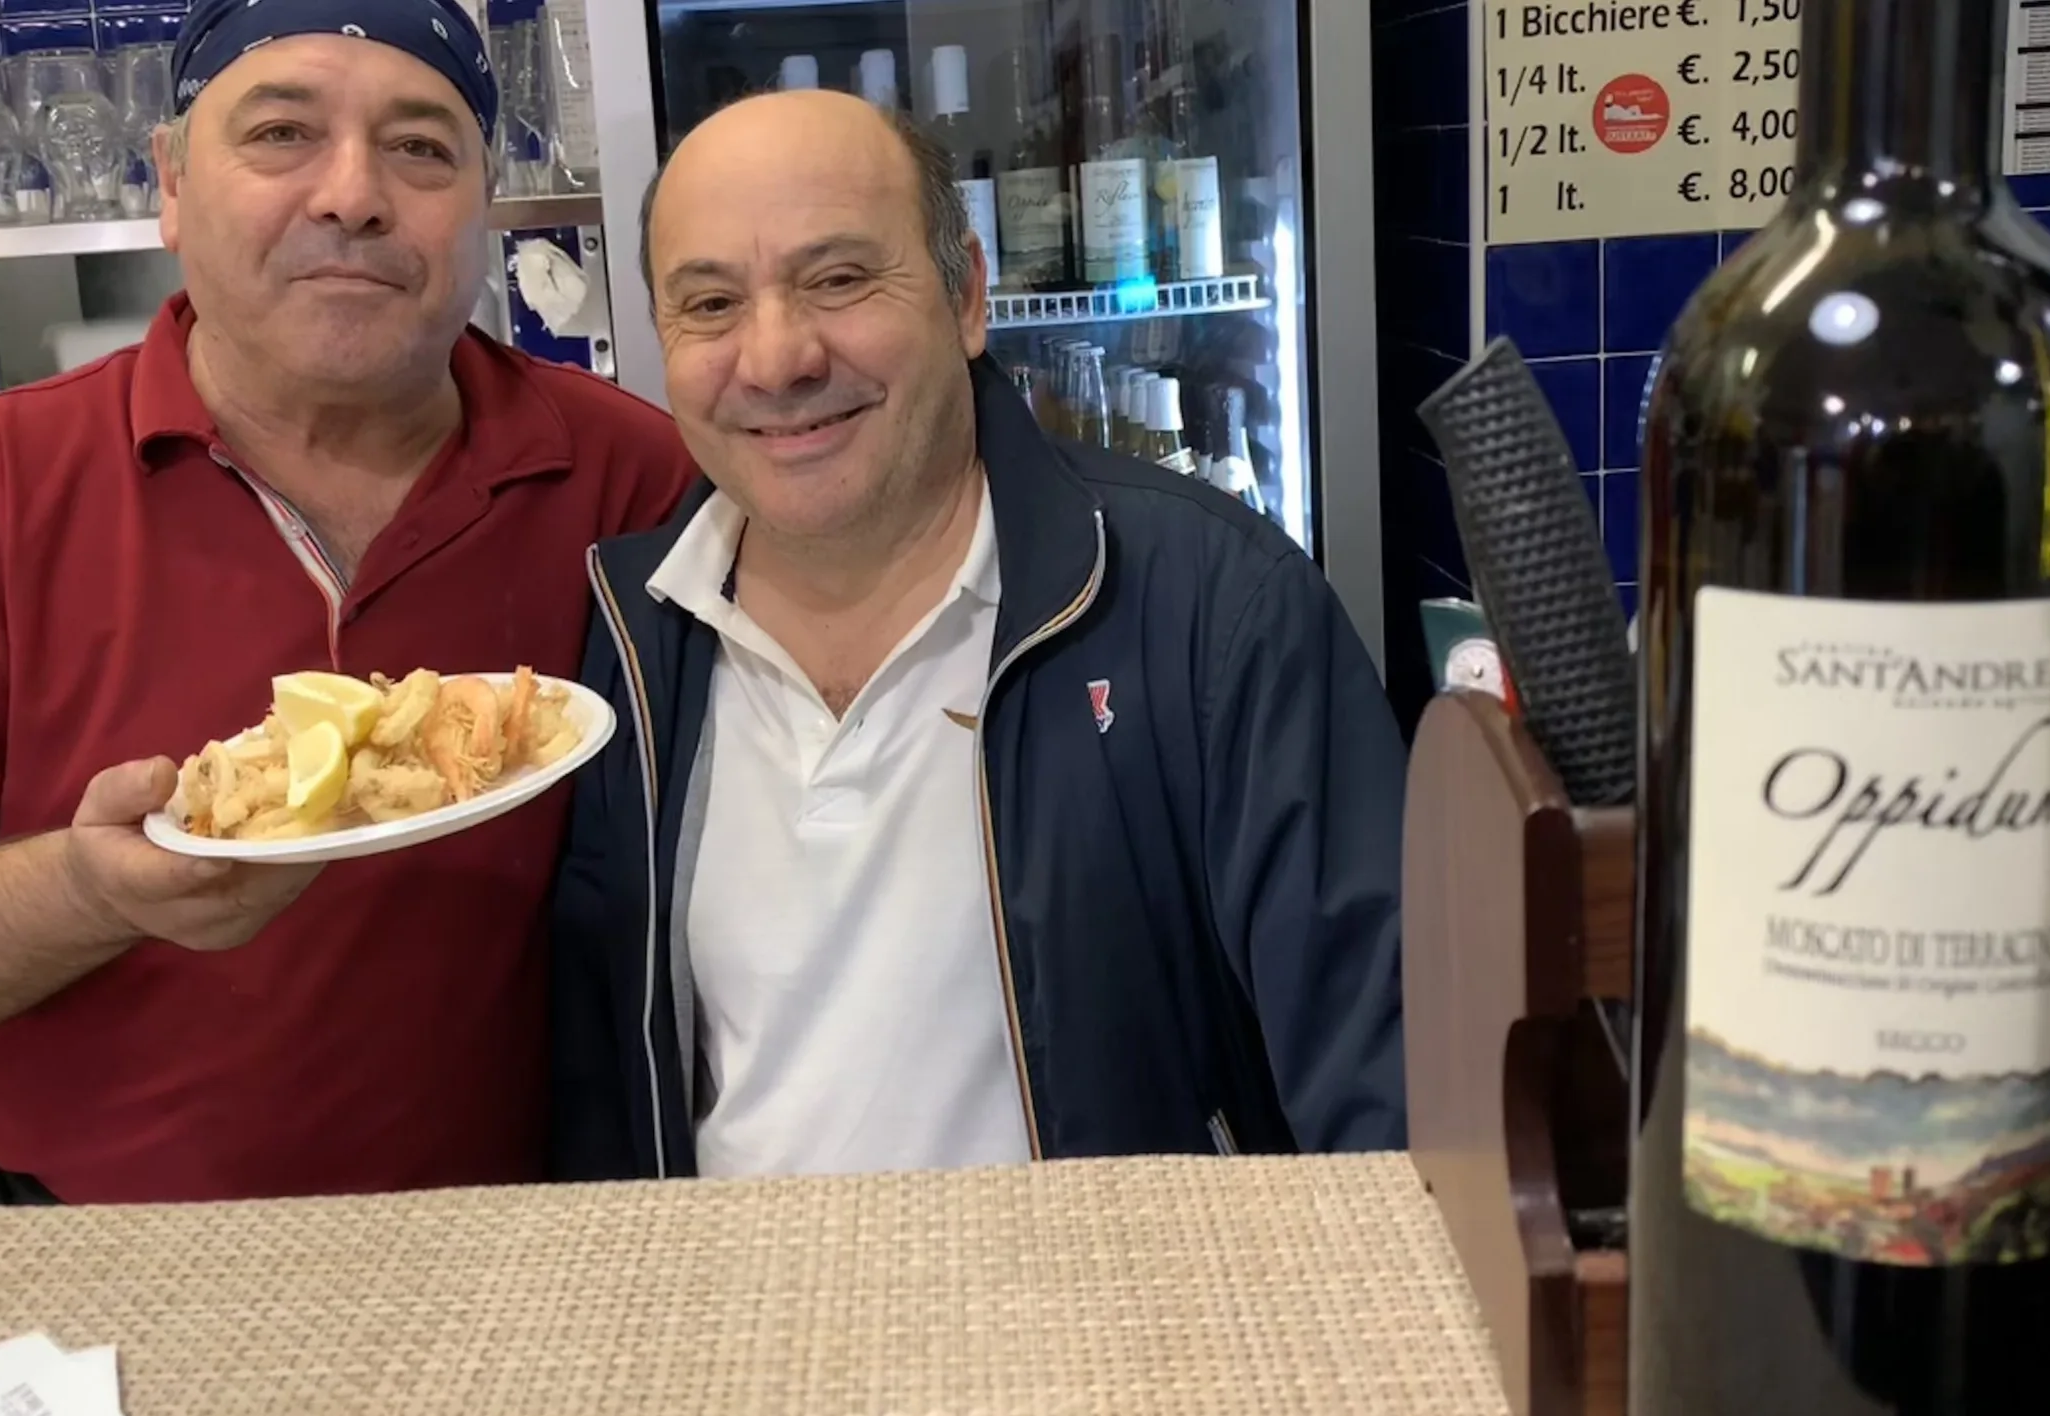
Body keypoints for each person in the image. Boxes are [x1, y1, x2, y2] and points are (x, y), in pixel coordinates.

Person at [0, 0, 697, 1205]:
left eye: (421, 147)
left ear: (484, 205)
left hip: (531, 1234)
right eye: (281, 133)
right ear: (171, 185)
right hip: (90, 1255)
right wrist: (88, 891)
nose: (354, 195)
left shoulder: (633, 478)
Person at [546, 90, 1407, 1182]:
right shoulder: (631, 643)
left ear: (966, 298)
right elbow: (602, 1094)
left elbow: (1394, 1102)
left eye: (838, 279)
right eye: (711, 303)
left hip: (1127, 1290)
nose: (775, 360)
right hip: (741, 1295)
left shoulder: (1213, 609)